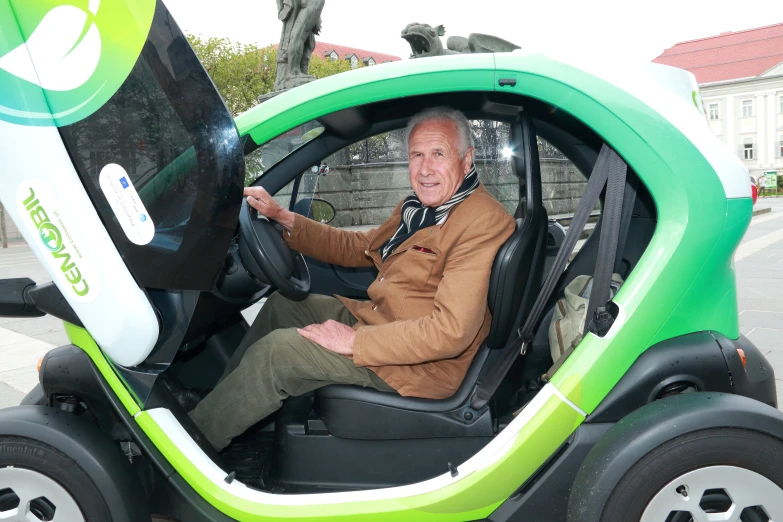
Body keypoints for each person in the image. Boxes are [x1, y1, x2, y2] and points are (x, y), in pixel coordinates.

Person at [189, 107, 516, 451]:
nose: (425, 169)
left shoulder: (480, 221)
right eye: (416, 155)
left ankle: (189, 451)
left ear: (467, 160)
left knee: (278, 352)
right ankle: (220, 407)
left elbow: (450, 331)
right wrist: (284, 218)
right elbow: (360, 246)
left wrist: (354, 342)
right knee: (283, 306)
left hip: (422, 365)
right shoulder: (417, 209)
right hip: (384, 323)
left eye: (439, 154)